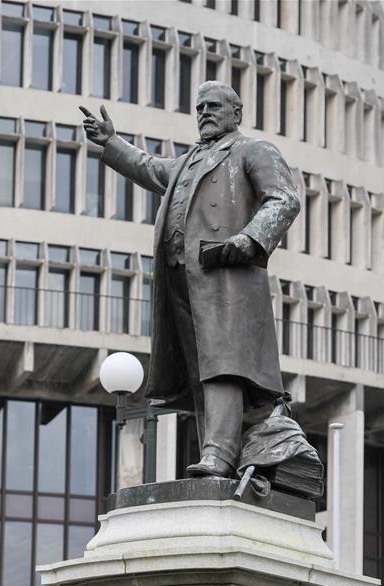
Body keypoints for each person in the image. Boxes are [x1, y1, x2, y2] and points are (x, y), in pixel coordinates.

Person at [80, 81, 300, 478]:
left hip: (226, 279)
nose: (204, 113)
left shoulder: (253, 151)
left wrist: (250, 238)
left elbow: (284, 198)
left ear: (236, 113)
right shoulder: (185, 163)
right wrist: (111, 142)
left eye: (213, 106)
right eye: (199, 107)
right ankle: (218, 453)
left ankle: (220, 455)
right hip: (183, 281)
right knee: (202, 370)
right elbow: (147, 167)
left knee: (223, 366)